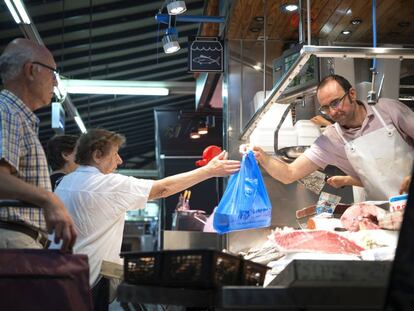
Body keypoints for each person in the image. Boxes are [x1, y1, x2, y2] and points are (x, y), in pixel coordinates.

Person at [54, 129, 240, 307]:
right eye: (115, 154)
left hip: (61, 274)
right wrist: (209, 171)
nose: (119, 160)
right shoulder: (106, 184)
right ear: (97, 155)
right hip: (88, 279)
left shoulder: (65, 182)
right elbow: (162, 189)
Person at [244, 74, 414, 200]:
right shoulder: (330, 140)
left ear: (352, 94)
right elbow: (289, 173)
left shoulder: (387, 109)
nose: (332, 112)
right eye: (325, 108)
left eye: (335, 102)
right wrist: (262, 156)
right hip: (383, 213)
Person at [0, 38, 76, 252]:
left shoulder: (17, 117)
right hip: (11, 240)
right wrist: (49, 199)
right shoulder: (7, 112)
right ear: (31, 70)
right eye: (53, 73)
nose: (55, 83)